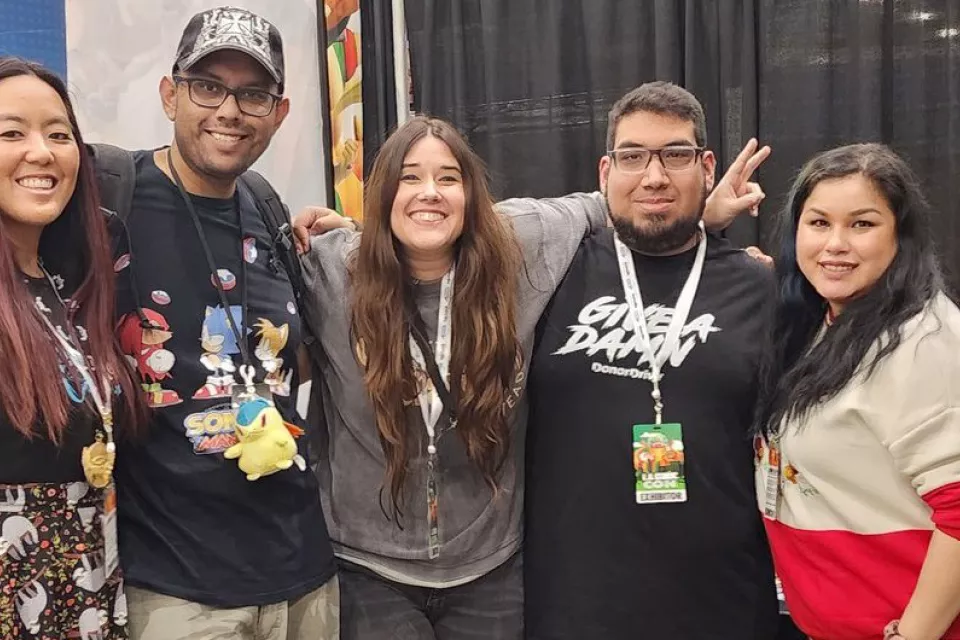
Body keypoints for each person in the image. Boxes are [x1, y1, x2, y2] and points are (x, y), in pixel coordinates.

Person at [292, 106, 767, 637]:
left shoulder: (523, 245)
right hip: (370, 567)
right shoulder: (329, 270)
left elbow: (608, 203)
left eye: (448, 178)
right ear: (382, 193)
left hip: (488, 569)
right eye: (409, 178)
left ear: (473, 196)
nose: (430, 192)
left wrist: (702, 214)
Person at [105, 8, 340, 638]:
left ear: (279, 113)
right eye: (208, 86)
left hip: (303, 573)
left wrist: (355, 261)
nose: (229, 110)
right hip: (176, 586)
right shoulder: (110, 199)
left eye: (253, 93)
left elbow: (301, 360)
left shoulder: (266, 208)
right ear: (169, 93)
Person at [523, 81, 782, 639]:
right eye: (633, 156)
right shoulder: (552, 273)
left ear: (706, 168)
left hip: (724, 607)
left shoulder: (761, 288)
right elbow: (439, 251)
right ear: (605, 172)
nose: (655, 175)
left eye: (677, 155)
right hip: (572, 607)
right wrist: (349, 235)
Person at [754, 143, 960, 640]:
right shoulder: (824, 321)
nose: (835, 244)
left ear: (900, 235)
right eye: (819, 223)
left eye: (862, 224)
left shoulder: (922, 342)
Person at [0, 56, 142, 639]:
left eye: (59, 135)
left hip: (86, 581)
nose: (41, 152)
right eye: (11, 133)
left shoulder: (62, 285)